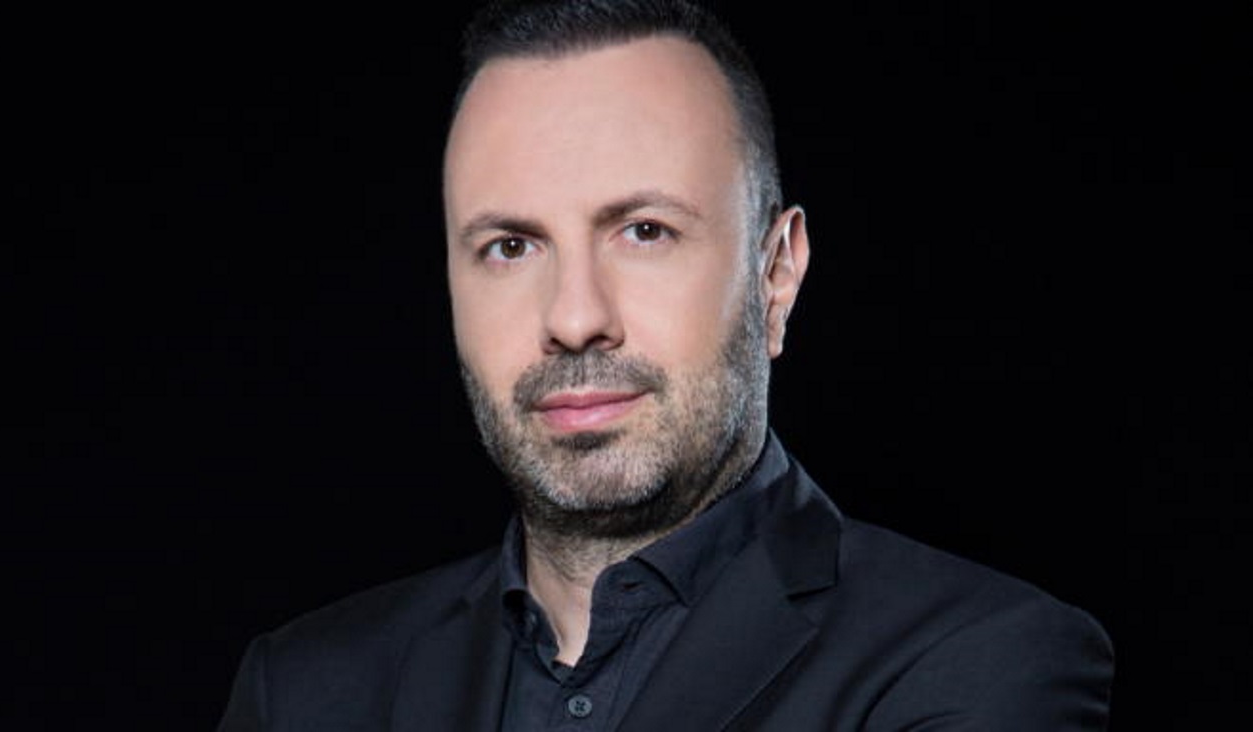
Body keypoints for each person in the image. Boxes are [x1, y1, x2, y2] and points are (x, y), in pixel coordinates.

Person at [216, 1, 1115, 729]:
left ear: (776, 275)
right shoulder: (300, 690)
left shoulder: (977, 661)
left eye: (644, 232)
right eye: (510, 246)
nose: (575, 319)